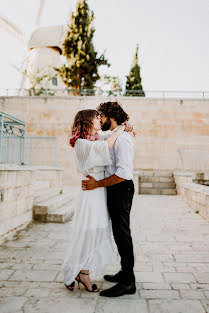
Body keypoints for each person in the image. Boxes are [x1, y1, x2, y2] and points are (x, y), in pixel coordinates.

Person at [61, 109, 126, 293]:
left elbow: (108, 135)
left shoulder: (96, 138)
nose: (100, 119)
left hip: (99, 190)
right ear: (87, 122)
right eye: (96, 117)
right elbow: (109, 144)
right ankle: (81, 272)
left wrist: (125, 127)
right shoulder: (82, 143)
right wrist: (121, 129)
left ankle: (81, 270)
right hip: (90, 193)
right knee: (88, 233)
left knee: (97, 232)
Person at [82, 101, 136, 297]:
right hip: (115, 188)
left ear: (111, 117)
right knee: (118, 232)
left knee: (122, 233)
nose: (100, 120)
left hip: (121, 188)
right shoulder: (114, 134)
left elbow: (123, 173)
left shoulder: (123, 140)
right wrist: (125, 125)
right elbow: (102, 138)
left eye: (102, 116)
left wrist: (97, 184)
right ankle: (124, 273)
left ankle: (129, 282)